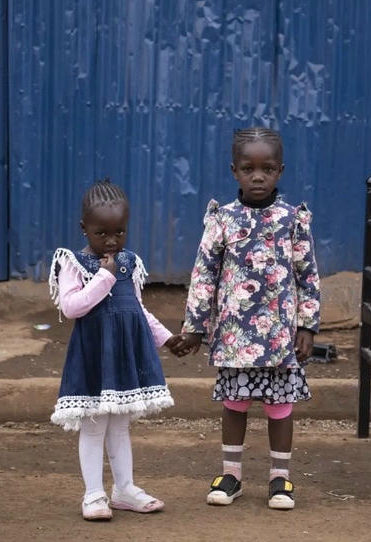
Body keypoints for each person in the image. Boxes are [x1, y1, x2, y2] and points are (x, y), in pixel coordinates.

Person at [177, 127, 321, 511]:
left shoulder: (293, 220)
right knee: (235, 404)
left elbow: (308, 275)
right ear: (234, 171)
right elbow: (204, 273)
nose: (258, 176)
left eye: (268, 169)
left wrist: (307, 326)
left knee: (280, 407)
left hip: (280, 337)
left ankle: (280, 479)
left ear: (280, 171)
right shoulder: (222, 220)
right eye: (248, 168)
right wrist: (195, 327)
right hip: (235, 335)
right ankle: (232, 475)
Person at [49, 179, 186, 521]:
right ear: (85, 229)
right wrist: (103, 279)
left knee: (121, 427)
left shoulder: (130, 262)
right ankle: (93, 495)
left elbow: (138, 310)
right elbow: (72, 307)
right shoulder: (72, 263)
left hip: (124, 356)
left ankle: (124, 489)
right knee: (94, 426)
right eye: (101, 234)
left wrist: (166, 338)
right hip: (94, 356)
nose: (111, 241)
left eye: (119, 233)